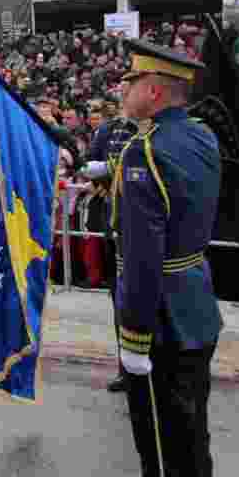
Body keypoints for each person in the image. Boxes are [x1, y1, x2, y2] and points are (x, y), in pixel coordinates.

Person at [112, 39, 222, 477]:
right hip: (196, 300)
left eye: (131, 80)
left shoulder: (145, 151)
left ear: (153, 91)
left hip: (161, 319)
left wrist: (134, 337)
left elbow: (141, 258)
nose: (123, 87)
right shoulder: (200, 134)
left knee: (161, 450)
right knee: (193, 435)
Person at [81, 100, 138, 393]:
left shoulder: (151, 130)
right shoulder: (109, 130)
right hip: (113, 222)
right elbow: (89, 163)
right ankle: (126, 368)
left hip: (141, 224)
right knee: (119, 300)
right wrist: (105, 183)